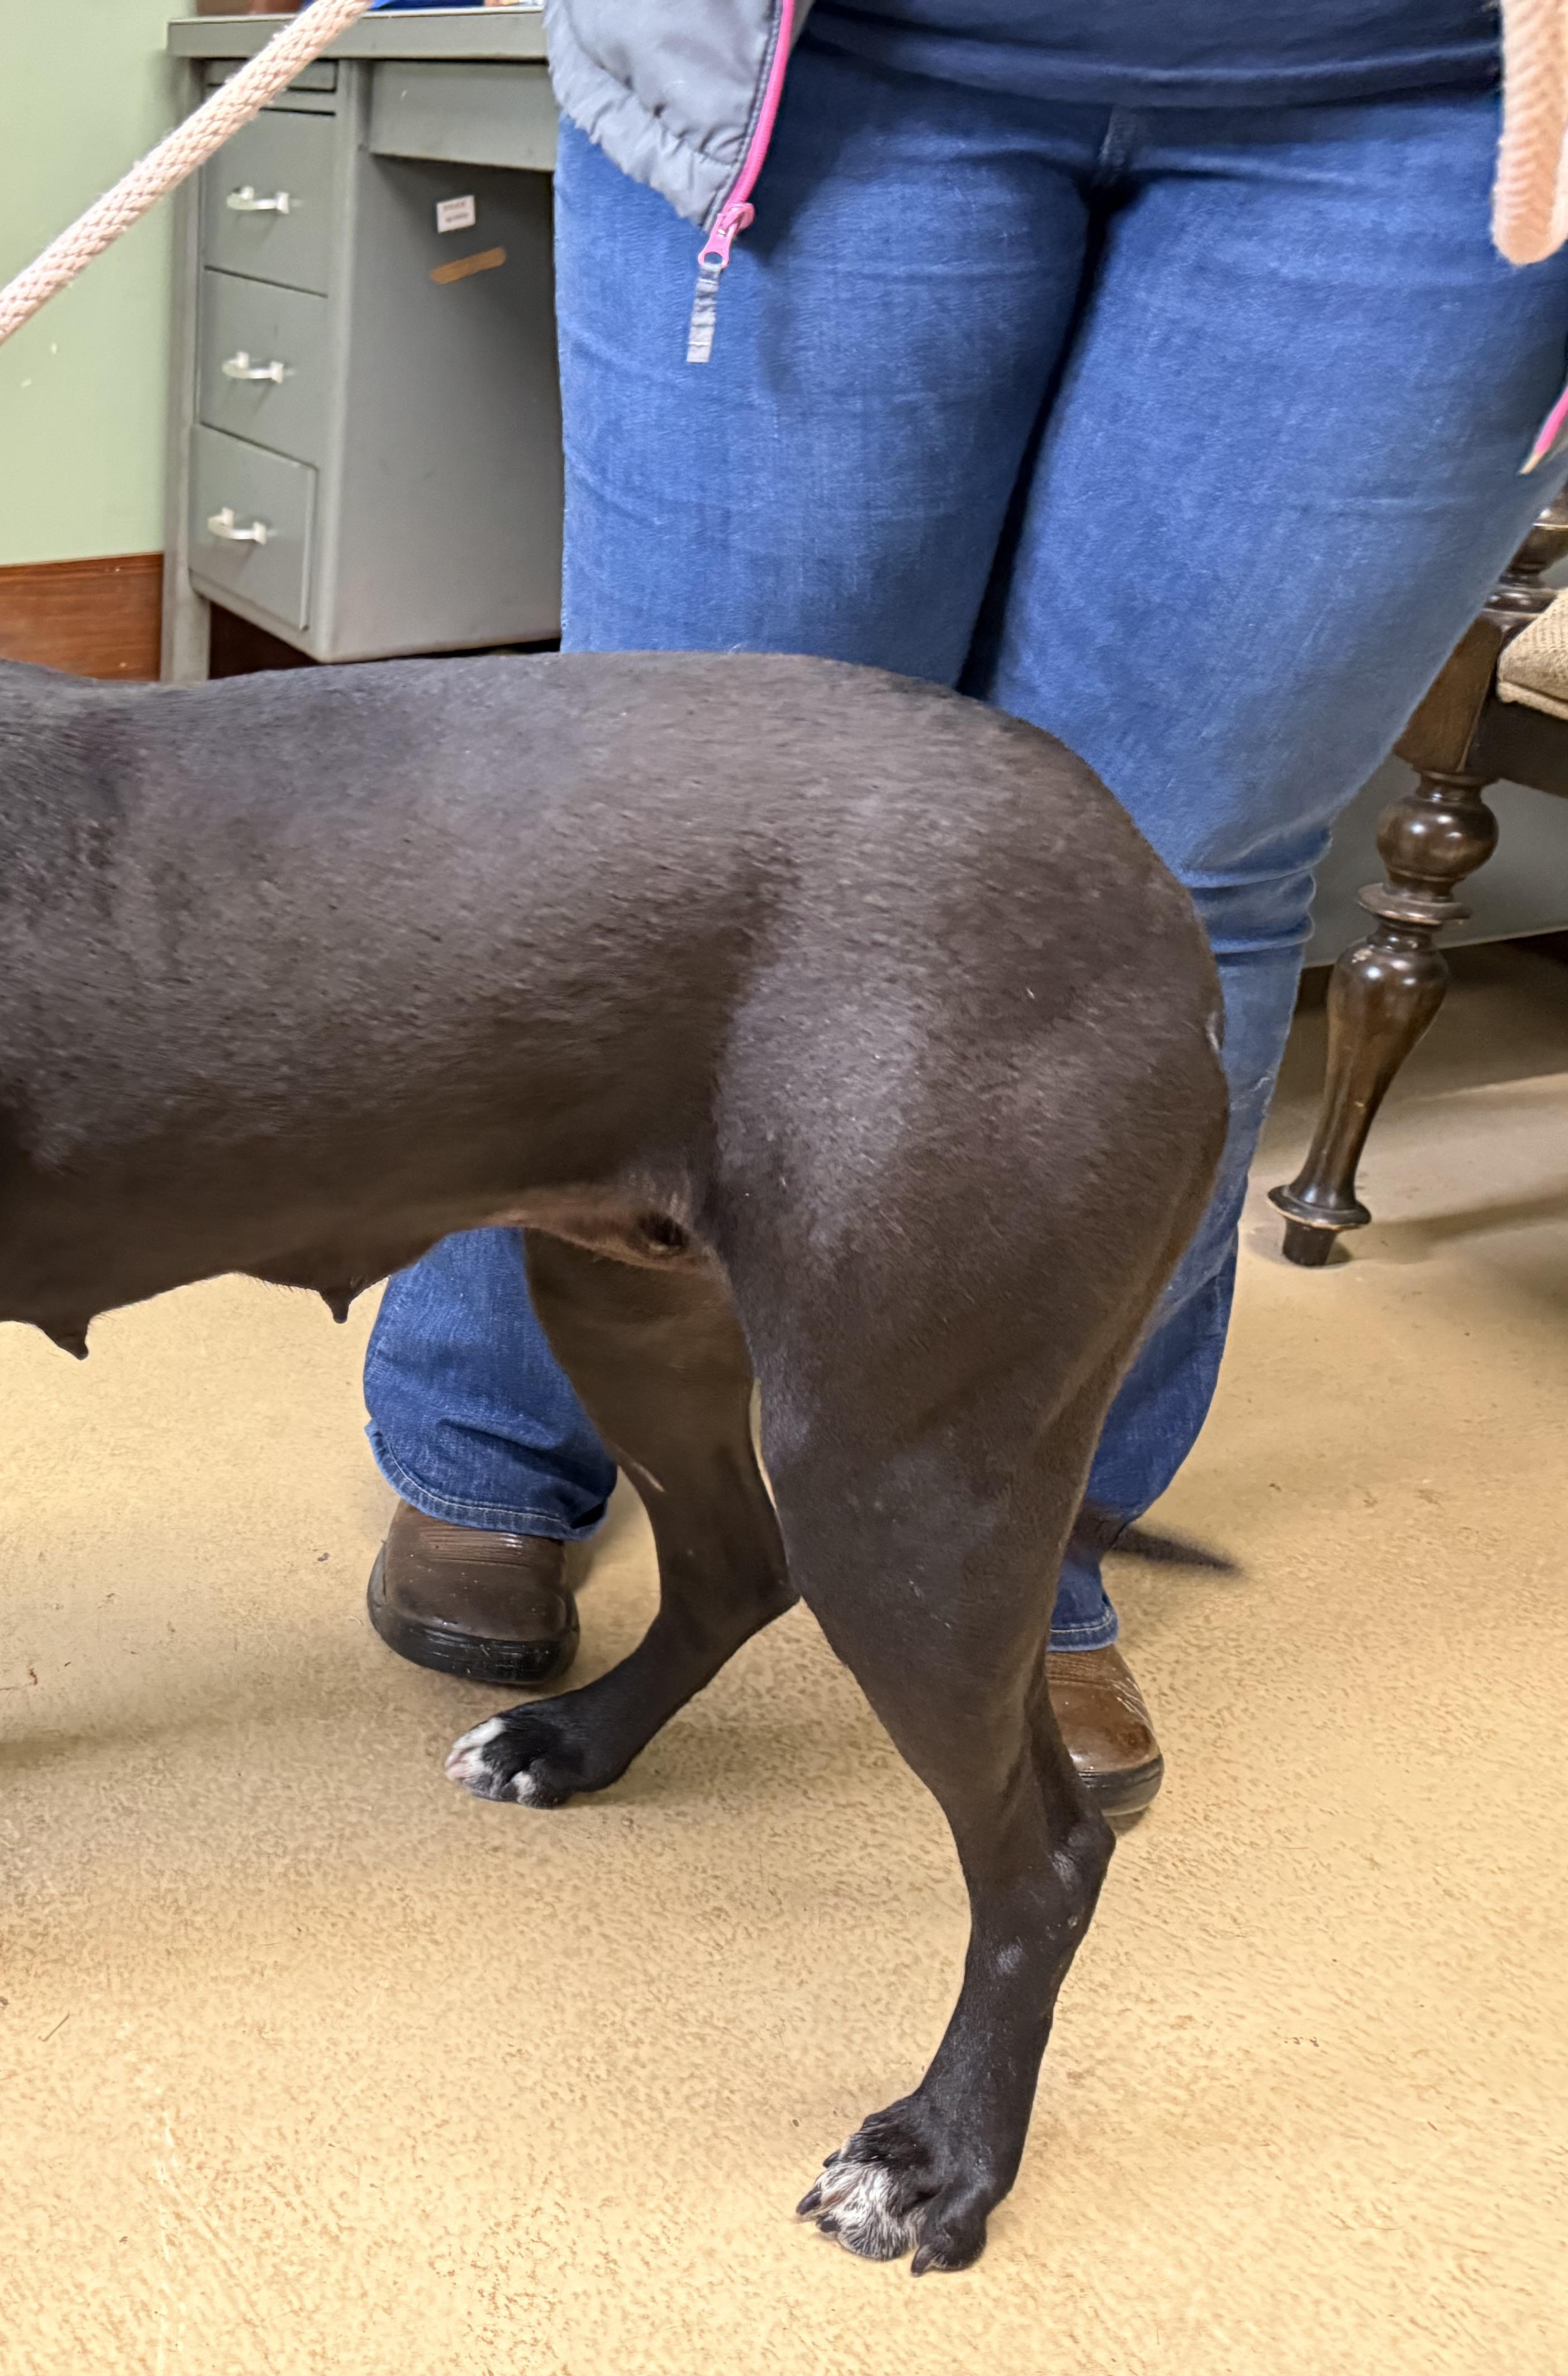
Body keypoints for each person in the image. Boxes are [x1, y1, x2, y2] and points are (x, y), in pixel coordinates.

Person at [360, 0, 1568, 1820]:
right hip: (818, 58)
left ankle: (1031, 1539)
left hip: (1437, 103)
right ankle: (497, 1433)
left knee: (1164, 889)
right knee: (662, 843)